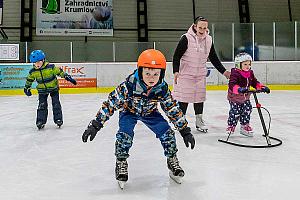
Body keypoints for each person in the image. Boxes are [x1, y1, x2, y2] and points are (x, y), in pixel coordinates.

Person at [82, 49, 195, 189]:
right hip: (129, 111)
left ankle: (172, 160)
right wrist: (95, 125)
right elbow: (110, 104)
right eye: (147, 73)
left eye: (155, 74)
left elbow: (172, 109)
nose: (151, 77)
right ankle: (121, 162)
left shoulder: (162, 88)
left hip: (150, 113)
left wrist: (185, 130)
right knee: (124, 135)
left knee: (168, 134)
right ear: (140, 71)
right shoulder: (129, 86)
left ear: (162, 74)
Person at [172, 16, 231, 133]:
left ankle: (199, 121)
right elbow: (176, 55)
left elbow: (213, 57)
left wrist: (224, 72)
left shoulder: (208, 40)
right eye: (200, 27)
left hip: (200, 75)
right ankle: (180, 121)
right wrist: (176, 71)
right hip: (185, 74)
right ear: (194, 26)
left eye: (205, 28)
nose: (202, 30)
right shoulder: (186, 38)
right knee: (184, 99)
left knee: (199, 98)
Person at [24, 50, 77, 130]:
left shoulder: (51, 67)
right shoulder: (33, 71)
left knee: (56, 104)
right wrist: (27, 88)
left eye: (38, 62)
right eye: (35, 63)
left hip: (54, 89)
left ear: (43, 60)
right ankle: (40, 121)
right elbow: (29, 80)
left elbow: (60, 72)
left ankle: (58, 119)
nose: (37, 64)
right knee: (42, 106)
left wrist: (67, 77)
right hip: (42, 90)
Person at [226, 52, 270, 137]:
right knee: (235, 112)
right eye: (245, 64)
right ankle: (231, 126)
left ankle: (244, 126)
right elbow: (232, 84)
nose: (248, 66)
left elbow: (254, 82)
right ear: (238, 64)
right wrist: (239, 89)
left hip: (246, 97)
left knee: (247, 109)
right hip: (235, 97)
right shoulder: (235, 73)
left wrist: (261, 87)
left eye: (249, 64)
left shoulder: (250, 72)